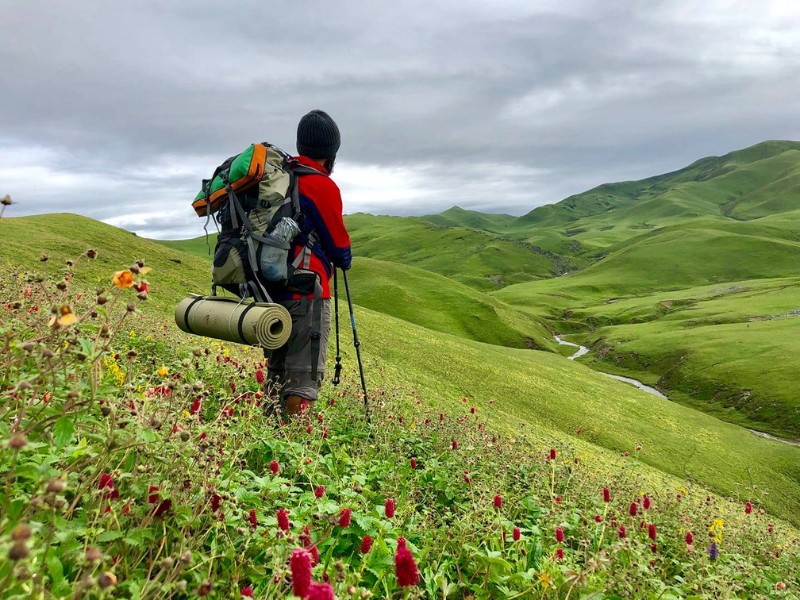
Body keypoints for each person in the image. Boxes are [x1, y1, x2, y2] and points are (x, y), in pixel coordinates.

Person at [265, 110, 352, 418]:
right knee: (302, 381)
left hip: (273, 293)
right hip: (308, 295)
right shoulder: (322, 186)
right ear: (332, 153)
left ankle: (267, 444)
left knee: (277, 376)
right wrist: (343, 256)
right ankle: (294, 456)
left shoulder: (282, 177)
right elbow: (340, 249)